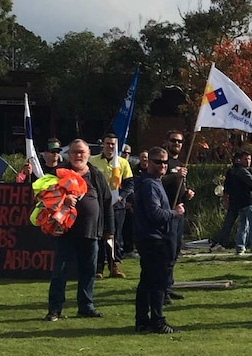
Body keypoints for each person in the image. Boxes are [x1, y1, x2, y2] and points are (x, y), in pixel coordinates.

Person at [45, 139, 113, 321]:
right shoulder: (58, 173)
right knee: (60, 272)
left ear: (88, 154)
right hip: (65, 231)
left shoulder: (96, 174)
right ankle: (54, 309)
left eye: (82, 152)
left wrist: (109, 230)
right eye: (74, 152)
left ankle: (86, 306)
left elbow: (107, 203)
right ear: (68, 154)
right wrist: (63, 200)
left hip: (90, 232)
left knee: (89, 271)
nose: (78, 155)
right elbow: (46, 198)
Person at [132, 146, 181, 334]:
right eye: (158, 162)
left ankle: (143, 321)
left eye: (165, 162)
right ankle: (157, 320)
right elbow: (155, 213)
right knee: (157, 282)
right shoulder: (150, 184)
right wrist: (174, 213)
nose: (162, 165)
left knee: (147, 281)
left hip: (152, 238)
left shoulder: (155, 182)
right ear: (148, 163)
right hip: (154, 239)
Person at [90, 132, 134, 279]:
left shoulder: (122, 163)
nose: (110, 146)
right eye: (108, 143)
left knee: (115, 237)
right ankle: (99, 267)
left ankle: (114, 265)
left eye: (113, 144)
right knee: (100, 235)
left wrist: (121, 197)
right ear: (103, 144)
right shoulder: (92, 161)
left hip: (117, 206)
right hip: (99, 206)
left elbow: (129, 184)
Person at [161, 130, 195, 302]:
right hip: (167, 212)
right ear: (167, 142)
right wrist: (175, 175)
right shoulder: (163, 161)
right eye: (173, 141)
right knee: (166, 252)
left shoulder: (181, 162)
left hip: (179, 212)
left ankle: (169, 286)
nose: (177, 144)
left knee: (175, 251)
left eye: (180, 142)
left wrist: (187, 193)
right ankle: (162, 291)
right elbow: (157, 181)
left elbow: (180, 185)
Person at [214, 150, 252, 255]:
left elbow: (227, 187)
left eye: (249, 159)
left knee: (243, 225)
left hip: (238, 203)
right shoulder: (243, 171)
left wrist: (226, 198)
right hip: (248, 201)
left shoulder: (231, 171)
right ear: (239, 160)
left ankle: (240, 247)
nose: (248, 161)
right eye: (246, 159)